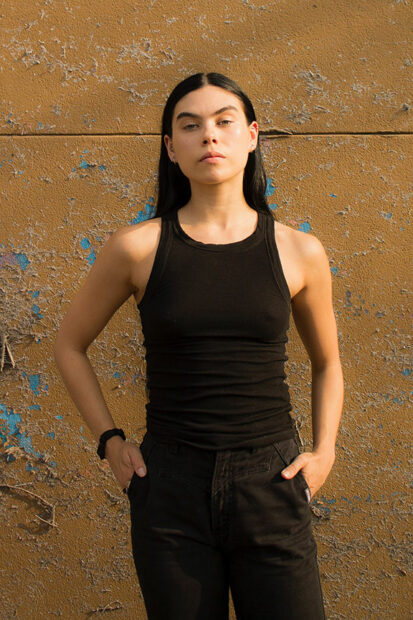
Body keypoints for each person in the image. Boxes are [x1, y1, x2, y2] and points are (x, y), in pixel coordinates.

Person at [54, 72, 343, 620]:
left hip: (273, 481)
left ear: (252, 135)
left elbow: (327, 362)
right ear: (170, 147)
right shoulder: (137, 247)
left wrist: (324, 452)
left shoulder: (298, 250)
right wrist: (110, 443)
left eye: (223, 122)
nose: (208, 136)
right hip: (170, 490)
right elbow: (69, 345)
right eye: (189, 126)